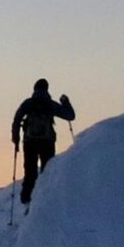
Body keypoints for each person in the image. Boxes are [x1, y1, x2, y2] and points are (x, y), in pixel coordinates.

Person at [10, 79, 75, 207]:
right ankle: (46, 201)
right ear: (47, 89)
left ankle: (27, 200)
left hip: (29, 142)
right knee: (47, 171)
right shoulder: (50, 104)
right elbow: (70, 116)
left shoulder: (28, 103)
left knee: (30, 172)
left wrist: (16, 139)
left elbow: (16, 120)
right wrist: (65, 102)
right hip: (47, 141)